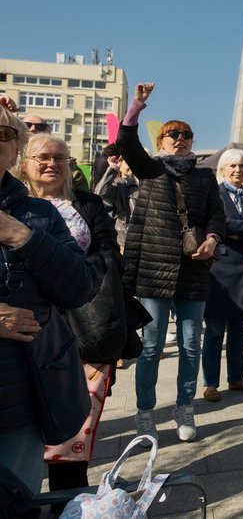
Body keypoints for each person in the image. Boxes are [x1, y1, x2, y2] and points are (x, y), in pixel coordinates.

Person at [117, 82, 226, 442]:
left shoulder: (205, 175)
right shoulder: (150, 170)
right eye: (173, 134)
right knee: (151, 345)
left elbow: (216, 215)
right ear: (161, 141)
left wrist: (212, 239)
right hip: (153, 270)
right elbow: (126, 143)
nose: (180, 139)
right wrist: (137, 105)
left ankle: (185, 407)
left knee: (191, 344)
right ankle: (145, 411)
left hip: (193, 270)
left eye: (187, 135)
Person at [16, 133, 122, 497]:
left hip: (83, 331)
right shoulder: (14, 206)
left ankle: (70, 501)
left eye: (60, 157)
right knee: (22, 435)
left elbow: (110, 259)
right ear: (23, 162)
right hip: (26, 331)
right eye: (41, 157)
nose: (51, 164)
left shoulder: (89, 205)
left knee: (74, 436)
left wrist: (74, 271)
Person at [0, 110, 95, 495]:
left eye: (2, 132)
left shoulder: (40, 215)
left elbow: (79, 289)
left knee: (19, 502)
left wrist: (22, 235)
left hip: (21, 396)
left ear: (14, 151)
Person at [203, 149, 243, 402]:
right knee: (215, 331)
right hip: (220, 270)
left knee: (238, 330)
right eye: (232, 166)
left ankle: (236, 377)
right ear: (223, 169)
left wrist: (239, 229)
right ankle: (210, 383)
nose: (237, 170)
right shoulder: (216, 195)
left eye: (241, 165)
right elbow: (219, 224)